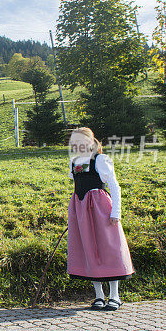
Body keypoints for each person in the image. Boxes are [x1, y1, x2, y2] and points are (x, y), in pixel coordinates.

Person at [67, 127, 134, 311]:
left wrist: (116, 212)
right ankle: (98, 296)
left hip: (100, 208)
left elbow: (114, 185)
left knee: (108, 248)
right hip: (81, 208)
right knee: (88, 248)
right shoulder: (73, 162)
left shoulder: (100, 160)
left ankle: (115, 296)